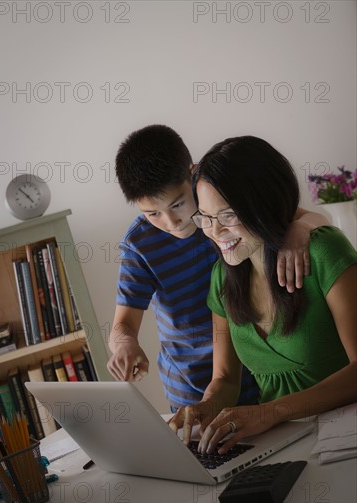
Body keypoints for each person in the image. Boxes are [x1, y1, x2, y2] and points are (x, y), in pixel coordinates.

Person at [107, 125, 329, 412]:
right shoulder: (139, 246)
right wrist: (125, 345)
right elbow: (122, 326)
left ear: (193, 172)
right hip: (195, 389)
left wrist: (300, 227)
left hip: (261, 370)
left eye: (177, 204)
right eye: (152, 214)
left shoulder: (225, 202)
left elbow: (317, 218)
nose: (171, 222)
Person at [168, 135, 357, 452]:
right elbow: (226, 378)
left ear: (263, 203)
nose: (215, 231)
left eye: (228, 216)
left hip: (343, 439)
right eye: (206, 218)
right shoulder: (222, 279)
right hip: (279, 443)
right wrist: (205, 405)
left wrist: (271, 411)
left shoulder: (324, 252)